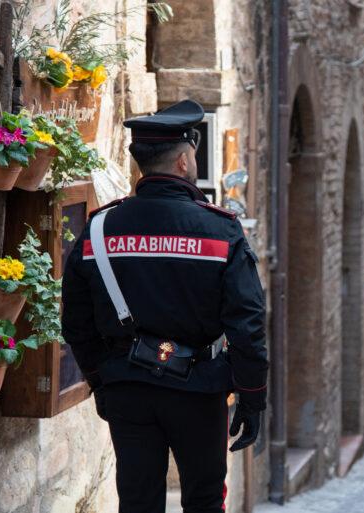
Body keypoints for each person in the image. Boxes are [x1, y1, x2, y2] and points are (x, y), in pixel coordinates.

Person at [62, 99, 268, 513]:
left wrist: (103, 380)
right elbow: (247, 325)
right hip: (201, 388)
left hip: (128, 387)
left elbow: (76, 321)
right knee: (205, 500)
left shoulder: (99, 229)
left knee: (137, 502)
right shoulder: (220, 230)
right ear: (183, 160)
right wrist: (251, 396)